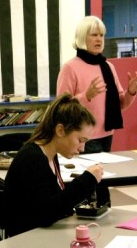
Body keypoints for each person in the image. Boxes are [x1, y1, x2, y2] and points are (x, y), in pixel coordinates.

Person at [57, 15, 137, 206]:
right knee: (90, 184)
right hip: (83, 137)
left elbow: (121, 104)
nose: (99, 39)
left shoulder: (107, 66)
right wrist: (87, 96)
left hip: (106, 133)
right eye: (94, 35)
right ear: (82, 37)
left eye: (102, 35)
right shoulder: (70, 67)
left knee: (102, 180)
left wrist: (131, 92)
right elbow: (61, 108)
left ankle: (102, 211)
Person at [4, 92, 104, 237]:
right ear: (60, 131)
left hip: (41, 237)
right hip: (27, 243)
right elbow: (46, 213)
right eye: (80, 140)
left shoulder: (50, 156)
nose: (82, 149)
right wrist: (86, 181)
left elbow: (54, 201)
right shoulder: (32, 159)